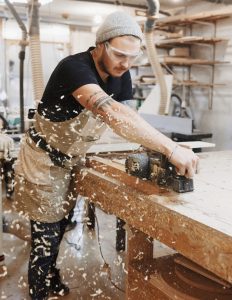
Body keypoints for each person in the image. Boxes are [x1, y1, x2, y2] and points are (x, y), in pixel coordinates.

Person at [13, 11, 199, 300]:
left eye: (132, 58)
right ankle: (38, 289)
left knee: (62, 224)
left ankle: (51, 274)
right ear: (100, 45)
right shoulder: (74, 68)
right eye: (119, 55)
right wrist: (170, 148)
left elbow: (127, 123)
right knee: (45, 234)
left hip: (72, 158)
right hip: (43, 160)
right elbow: (112, 113)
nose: (125, 64)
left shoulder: (120, 76)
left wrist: (154, 149)